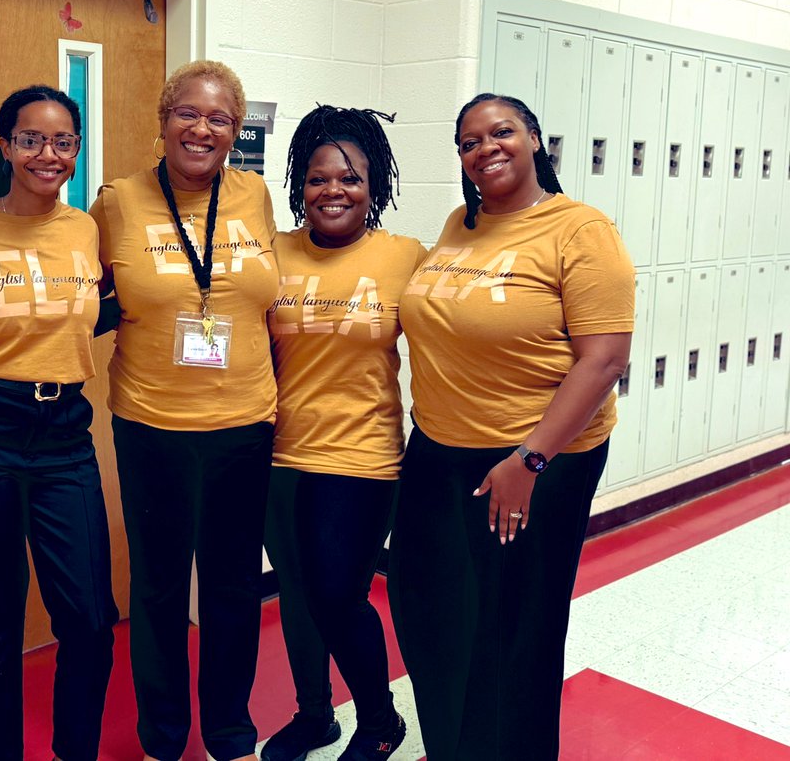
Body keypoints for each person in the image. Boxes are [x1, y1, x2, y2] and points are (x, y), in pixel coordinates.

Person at [389, 93, 634, 760]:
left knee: (515, 632)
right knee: (432, 614)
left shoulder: (580, 230)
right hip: (438, 452)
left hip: (534, 460)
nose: (485, 149)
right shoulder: (460, 224)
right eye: (469, 142)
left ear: (533, 140)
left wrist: (530, 461)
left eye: (501, 133)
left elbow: (604, 360)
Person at [89, 60, 279, 761]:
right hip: (152, 426)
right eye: (188, 114)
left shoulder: (254, 195)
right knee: (160, 589)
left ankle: (230, 734)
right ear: (164, 121)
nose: (202, 129)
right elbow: (86, 295)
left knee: (233, 589)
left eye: (219, 118)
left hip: (245, 425)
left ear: (235, 130)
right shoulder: (118, 202)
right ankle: (162, 740)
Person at [0, 85, 117, 761]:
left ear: (76, 150)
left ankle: (75, 752)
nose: (48, 154)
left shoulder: (84, 229)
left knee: (91, 622)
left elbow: (99, 309)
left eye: (62, 142)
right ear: (6, 145)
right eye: (31, 139)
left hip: (66, 435)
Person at [262, 105, 425, 761]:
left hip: (362, 455)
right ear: (299, 184)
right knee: (298, 594)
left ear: (373, 184)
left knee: (337, 593)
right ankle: (314, 716)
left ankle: (380, 720)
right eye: (318, 178)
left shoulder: (405, 257)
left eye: (351, 178)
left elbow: (455, 345)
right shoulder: (273, 253)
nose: (333, 191)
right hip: (279, 454)